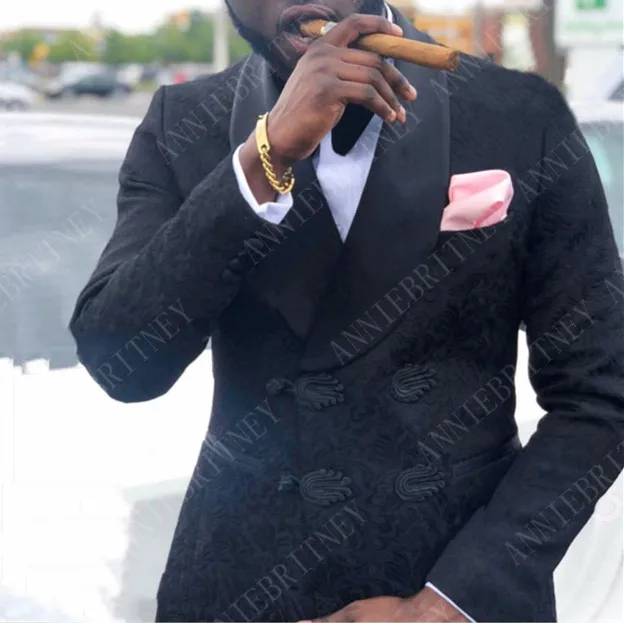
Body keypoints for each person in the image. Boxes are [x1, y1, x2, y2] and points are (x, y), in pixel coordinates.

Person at [69, 1, 624, 621]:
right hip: (239, 586)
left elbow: (600, 395)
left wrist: (448, 603)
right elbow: (124, 365)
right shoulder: (182, 122)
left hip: (451, 585)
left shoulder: (520, 114)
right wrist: (262, 160)